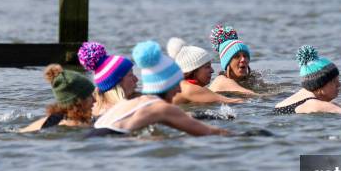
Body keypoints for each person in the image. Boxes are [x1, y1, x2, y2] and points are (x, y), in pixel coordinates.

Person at [91, 41, 229, 137]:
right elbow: (208, 133)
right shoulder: (161, 108)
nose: (180, 90)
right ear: (166, 85)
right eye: (176, 84)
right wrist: (247, 136)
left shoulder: (134, 102)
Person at [274, 45, 341, 114]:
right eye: (334, 81)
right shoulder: (317, 105)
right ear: (320, 84)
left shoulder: (282, 105)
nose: (339, 85)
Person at [166, 38, 244, 105]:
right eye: (207, 67)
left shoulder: (178, 85)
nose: (212, 71)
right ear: (193, 70)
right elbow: (234, 102)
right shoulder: (190, 88)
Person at [20, 64, 95, 132]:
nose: (95, 100)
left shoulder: (50, 120)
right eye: (90, 96)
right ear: (79, 101)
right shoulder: (76, 126)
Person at [77, 41, 139, 118]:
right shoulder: (126, 111)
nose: (136, 79)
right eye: (130, 75)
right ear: (117, 84)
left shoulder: (91, 110)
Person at [207, 24, 258, 95]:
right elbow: (253, 95)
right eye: (237, 56)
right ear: (227, 63)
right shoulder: (221, 81)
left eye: (245, 56)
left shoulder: (251, 80)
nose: (243, 59)